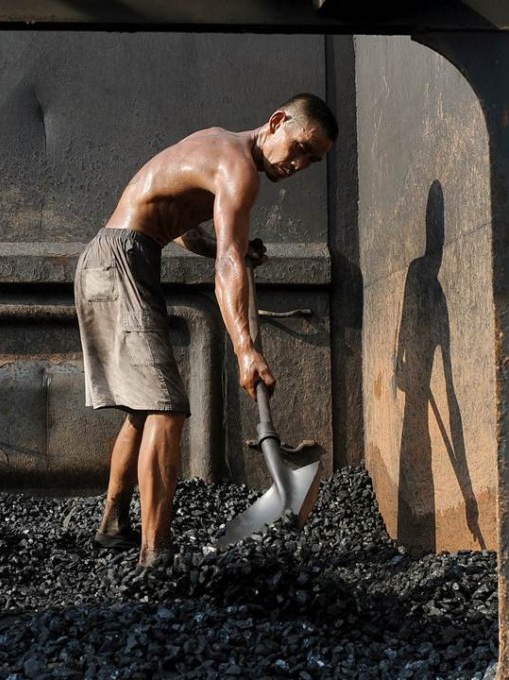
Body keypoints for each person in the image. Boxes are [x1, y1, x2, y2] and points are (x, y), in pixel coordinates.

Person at [74, 93, 337, 569]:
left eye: (311, 161)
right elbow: (228, 263)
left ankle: (114, 524)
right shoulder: (238, 169)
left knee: (146, 408)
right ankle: (156, 557)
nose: (299, 163)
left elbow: (182, 226)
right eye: (299, 147)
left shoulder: (215, 145)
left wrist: (221, 244)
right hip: (122, 259)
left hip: (115, 256)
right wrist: (245, 348)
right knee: (168, 409)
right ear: (276, 121)